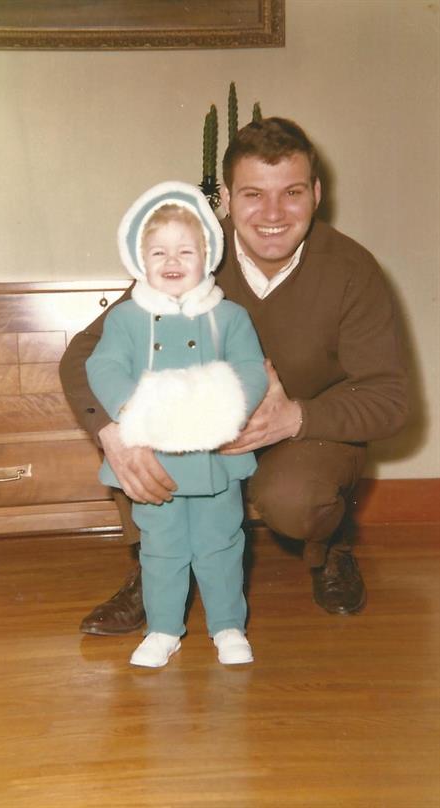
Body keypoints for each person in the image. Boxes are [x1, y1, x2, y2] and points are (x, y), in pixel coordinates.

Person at [59, 117, 409, 635]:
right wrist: (114, 433)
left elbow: (392, 398)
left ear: (316, 192)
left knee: (296, 500)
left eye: (291, 192)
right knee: (137, 432)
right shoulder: (191, 252)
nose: (272, 214)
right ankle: (150, 568)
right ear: (224, 196)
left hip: (303, 434)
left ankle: (329, 548)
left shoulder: (353, 269)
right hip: (199, 433)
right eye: (252, 194)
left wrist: (296, 418)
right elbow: (85, 355)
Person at [85, 182, 268, 666]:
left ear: (207, 255)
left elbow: (251, 369)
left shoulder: (229, 316)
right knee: (161, 548)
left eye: (186, 250)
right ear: (138, 258)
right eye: (159, 251)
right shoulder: (126, 319)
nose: (173, 260)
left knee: (222, 543)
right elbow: (102, 367)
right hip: (156, 457)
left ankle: (228, 625)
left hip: (213, 459)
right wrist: (133, 407)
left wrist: (229, 407)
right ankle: (164, 628)